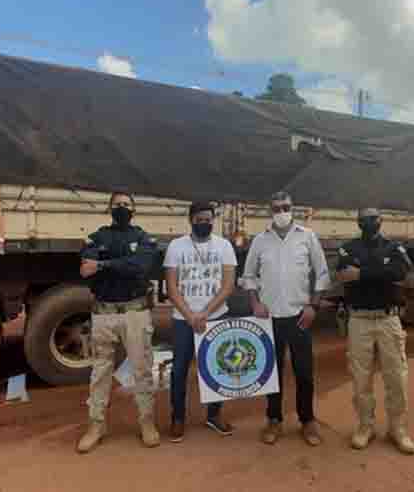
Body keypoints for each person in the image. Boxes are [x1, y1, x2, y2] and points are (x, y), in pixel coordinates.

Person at [242, 191, 331, 446]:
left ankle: (307, 420)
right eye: (277, 208)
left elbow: (322, 273)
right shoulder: (261, 240)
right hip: (269, 318)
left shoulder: (307, 236)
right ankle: (274, 420)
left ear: (293, 208)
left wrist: (313, 306)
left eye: (286, 207)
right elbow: (249, 276)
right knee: (272, 373)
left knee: (304, 372)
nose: (282, 212)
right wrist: (255, 303)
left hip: (299, 316)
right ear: (270, 211)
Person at [77, 191, 160, 453]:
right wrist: (122, 264)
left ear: (133, 210)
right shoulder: (97, 237)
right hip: (104, 314)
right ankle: (96, 425)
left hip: (136, 312)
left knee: (142, 370)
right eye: (117, 204)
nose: (122, 208)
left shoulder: (143, 237)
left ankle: (147, 422)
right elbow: (86, 269)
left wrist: (103, 265)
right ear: (109, 208)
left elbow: (141, 266)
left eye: (126, 204)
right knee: (100, 372)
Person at [335, 208, 414, 455]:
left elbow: (401, 272)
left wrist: (361, 273)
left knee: (397, 378)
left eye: (374, 219)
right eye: (365, 219)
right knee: (361, 379)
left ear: (381, 221)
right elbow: (343, 274)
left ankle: (397, 428)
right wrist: (381, 271)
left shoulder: (394, 247)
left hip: (388, 320)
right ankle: (365, 426)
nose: (370, 223)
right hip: (359, 320)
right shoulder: (347, 248)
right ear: (358, 222)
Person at [164, 201, 237, 442]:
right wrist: (190, 315)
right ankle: (177, 418)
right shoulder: (176, 246)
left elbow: (228, 285)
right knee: (179, 371)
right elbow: (171, 287)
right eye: (199, 219)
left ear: (213, 220)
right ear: (190, 220)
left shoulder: (224, 246)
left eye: (208, 219)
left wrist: (205, 313)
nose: (204, 223)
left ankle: (214, 415)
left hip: (215, 317)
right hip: (183, 320)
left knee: (218, 369)